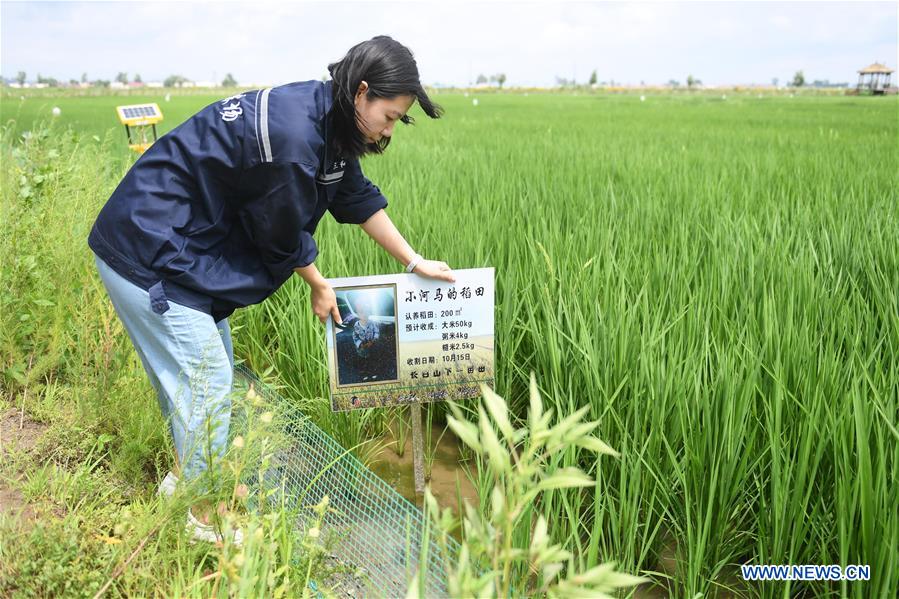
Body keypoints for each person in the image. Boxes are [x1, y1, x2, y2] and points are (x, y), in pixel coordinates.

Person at [87, 36, 456, 544]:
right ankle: (204, 522)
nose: (389, 129)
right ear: (361, 92)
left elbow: (356, 197)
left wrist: (413, 261)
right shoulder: (292, 137)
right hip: (149, 249)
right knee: (207, 385)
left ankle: (184, 485)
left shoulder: (327, 120)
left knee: (208, 379)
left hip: (181, 247)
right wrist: (319, 285)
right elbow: (280, 232)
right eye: (389, 116)